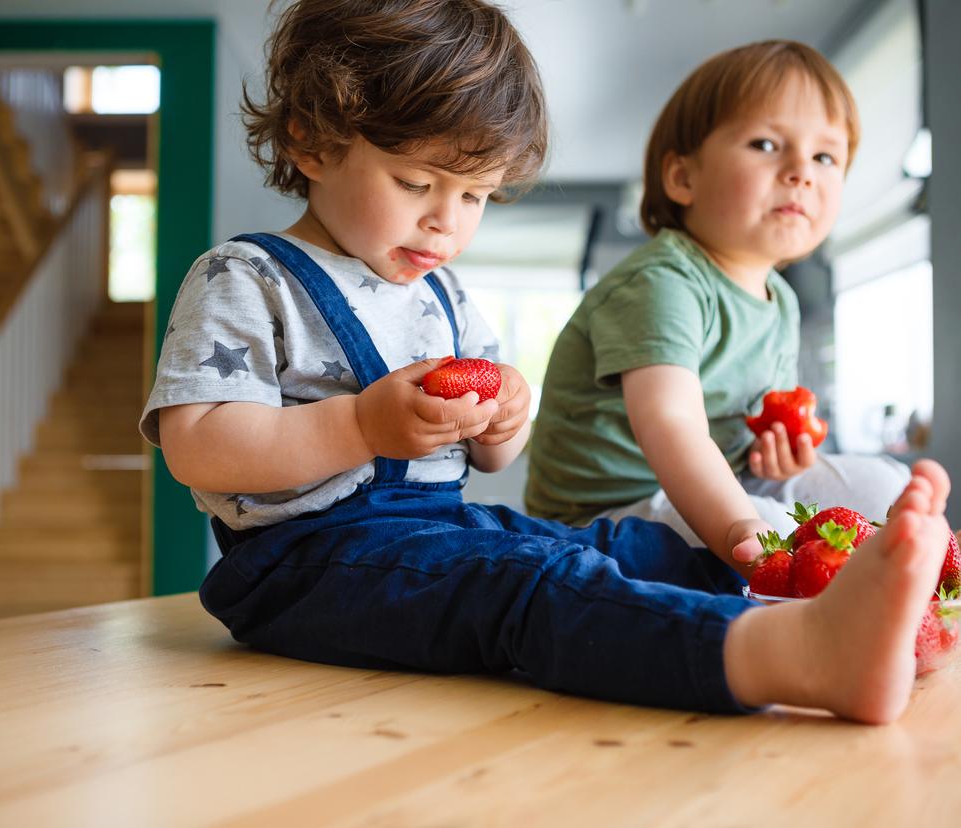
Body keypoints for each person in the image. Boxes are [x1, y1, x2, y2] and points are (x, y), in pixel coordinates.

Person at [140, 1, 953, 724]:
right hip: (302, 567)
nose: (444, 224)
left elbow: (489, 454)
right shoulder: (247, 278)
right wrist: (360, 422)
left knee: (614, 552)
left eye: (475, 196)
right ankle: (792, 656)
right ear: (311, 142)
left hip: (437, 529)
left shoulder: (444, 294)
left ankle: (839, 600)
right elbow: (199, 445)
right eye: (417, 181)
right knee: (525, 590)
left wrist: (501, 417)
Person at [524, 41, 911, 568]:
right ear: (683, 177)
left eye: (825, 156)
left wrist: (778, 456)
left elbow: (745, 432)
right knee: (774, 531)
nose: (802, 171)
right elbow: (670, 421)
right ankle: (830, 597)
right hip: (601, 515)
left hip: (718, 484)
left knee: (886, 484)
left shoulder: (783, 305)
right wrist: (741, 526)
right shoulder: (663, 281)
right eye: (767, 144)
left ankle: (876, 579)